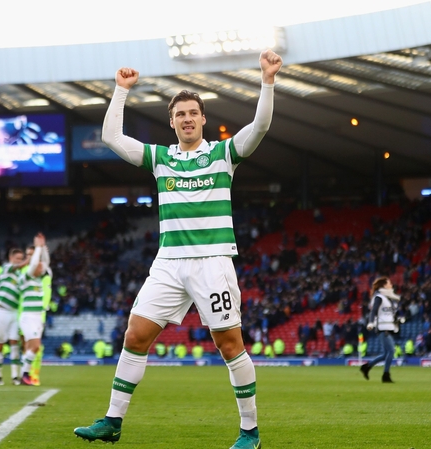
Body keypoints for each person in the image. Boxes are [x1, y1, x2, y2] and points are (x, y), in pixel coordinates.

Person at [73, 49, 282, 449]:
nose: (187, 119)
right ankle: (113, 421)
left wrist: (267, 81)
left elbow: (259, 127)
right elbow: (111, 138)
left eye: (192, 113)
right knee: (135, 335)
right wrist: (120, 91)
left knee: (229, 344)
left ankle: (250, 432)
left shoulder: (223, 155)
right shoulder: (161, 159)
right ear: (171, 123)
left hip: (212, 263)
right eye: (179, 114)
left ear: (203, 118)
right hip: (168, 263)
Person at [0, 247, 27, 386]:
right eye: (17, 258)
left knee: (14, 343)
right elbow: (19, 266)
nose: (20, 261)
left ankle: (15, 376)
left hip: (14, 312)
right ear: (11, 259)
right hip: (1, 311)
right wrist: (31, 259)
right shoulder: (7, 268)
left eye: (21, 259)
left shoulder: (22, 276)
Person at [18, 234, 49, 386]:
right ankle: (24, 374)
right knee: (35, 346)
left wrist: (43, 248)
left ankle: (23, 375)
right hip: (28, 316)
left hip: (37, 317)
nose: (39, 266)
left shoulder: (37, 279)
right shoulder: (25, 276)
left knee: (33, 349)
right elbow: (35, 264)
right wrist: (37, 248)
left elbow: (45, 263)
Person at [360, 277, 401, 383]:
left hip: (388, 327)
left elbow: (388, 314)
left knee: (385, 354)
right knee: (391, 351)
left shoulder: (389, 298)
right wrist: (371, 322)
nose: (391, 285)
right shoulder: (379, 297)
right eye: (389, 283)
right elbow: (373, 311)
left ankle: (367, 367)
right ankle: (385, 375)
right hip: (382, 328)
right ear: (384, 285)